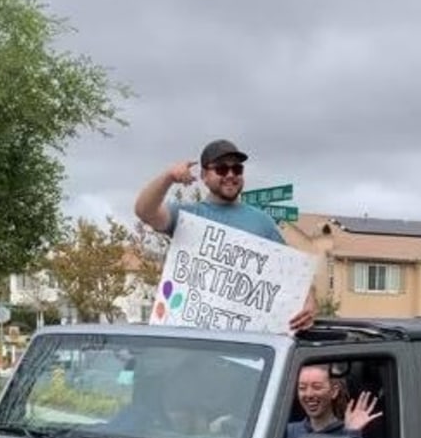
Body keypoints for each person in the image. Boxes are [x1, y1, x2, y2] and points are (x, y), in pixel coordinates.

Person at [134, 139, 316, 332]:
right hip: (193, 345)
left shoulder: (262, 222)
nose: (230, 175)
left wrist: (309, 301)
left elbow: (292, 272)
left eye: (237, 169)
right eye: (221, 169)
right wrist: (168, 177)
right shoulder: (187, 216)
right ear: (204, 175)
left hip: (244, 349)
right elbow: (144, 211)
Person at [286, 364, 382, 438]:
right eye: (302, 388)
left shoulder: (348, 435)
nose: (308, 394)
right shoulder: (289, 432)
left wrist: (353, 433)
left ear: (334, 391)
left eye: (317, 387)